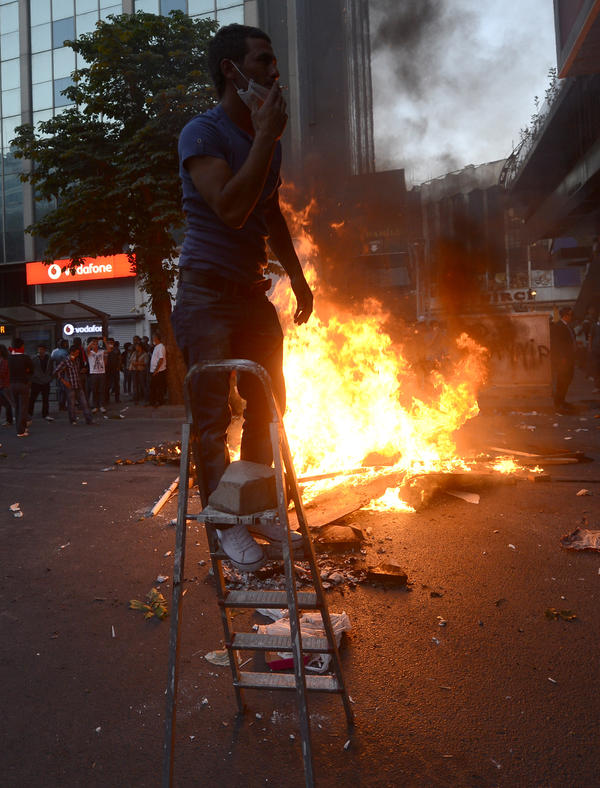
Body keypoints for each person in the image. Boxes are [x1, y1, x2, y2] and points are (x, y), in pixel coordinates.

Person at [171, 24, 313, 571]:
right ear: (232, 70)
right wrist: (263, 140)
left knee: (269, 408)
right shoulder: (200, 134)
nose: (274, 72)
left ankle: (252, 510)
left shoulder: (264, 142)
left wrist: (297, 281)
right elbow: (231, 207)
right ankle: (225, 527)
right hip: (205, 296)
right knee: (211, 422)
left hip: (252, 296)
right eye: (263, 61)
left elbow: (268, 212)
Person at [54, 345, 93, 425]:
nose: (77, 354)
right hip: (70, 385)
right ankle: (73, 420)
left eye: (78, 353)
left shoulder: (76, 360)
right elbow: (56, 371)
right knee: (71, 404)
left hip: (77, 384)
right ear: (72, 352)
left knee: (84, 402)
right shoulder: (65, 361)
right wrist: (64, 381)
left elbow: (76, 371)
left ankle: (88, 419)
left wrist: (81, 371)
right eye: (76, 353)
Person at [551, 306, 576, 413]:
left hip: (569, 358)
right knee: (562, 381)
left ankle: (562, 401)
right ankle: (558, 403)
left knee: (567, 380)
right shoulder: (558, 326)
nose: (571, 317)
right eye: (570, 314)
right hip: (563, 360)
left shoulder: (567, 326)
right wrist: (562, 357)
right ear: (565, 315)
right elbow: (557, 344)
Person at [8, 338, 33, 436]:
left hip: (11, 384)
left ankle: (19, 428)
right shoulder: (25, 357)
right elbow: (31, 370)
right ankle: (21, 430)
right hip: (23, 384)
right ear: (22, 346)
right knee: (23, 407)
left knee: (17, 407)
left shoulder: (8, 358)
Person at [28, 343, 54, 422]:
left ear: (45, 350)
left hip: (46, 381)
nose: (40, 351)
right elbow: (30, 369)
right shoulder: (34, 359)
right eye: (39, 349)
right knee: (32, 399)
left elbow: (51, 368)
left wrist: (50, 377)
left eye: (42, 349)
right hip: (36, 381)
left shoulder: (49, 358)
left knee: (45, 399)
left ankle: (45, 414)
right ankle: (29, 414)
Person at [87, 337, 106, 413]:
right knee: (94, 390)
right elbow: (87, 349)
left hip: (101, 372)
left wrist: (104, 341)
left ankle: (101, 405)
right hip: (93, 373)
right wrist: (92, 342)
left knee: (101, 390)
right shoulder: (90, 353)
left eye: (96, 344)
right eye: (94, 344)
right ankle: (95, 406)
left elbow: (109, 350)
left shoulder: (101, 351)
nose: (95, 345)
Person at [148, 331, 167, 407]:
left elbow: (161, 359)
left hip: (159, 371)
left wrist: (156, 370)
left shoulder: (161, 347)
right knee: (153, 387)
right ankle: (153, 401)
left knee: (158, 387)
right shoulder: (156, 347)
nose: (152, 339)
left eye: (153, 338)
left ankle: (159, 401)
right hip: (154, 370)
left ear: (156, 338)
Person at [50, 339, 69, 411]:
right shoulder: (65, 352)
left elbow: (51, 361)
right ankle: (62, 405)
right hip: (64, 371)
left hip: (56, 371)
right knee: (64, 389)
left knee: (60, 389)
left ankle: (61, 404)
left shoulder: (54, 351)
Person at [128, 340, 148, 405]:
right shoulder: (134, 353)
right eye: (136, 347)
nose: (136, 348)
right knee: (135, 385)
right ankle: (135, 399)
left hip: (141, 371)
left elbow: (146, 363)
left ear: (140, 347)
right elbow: (130, 360)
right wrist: (133, 363)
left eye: (137, 346)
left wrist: (137, 363)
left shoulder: (145, 354)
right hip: (134, 371)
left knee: (142, 384)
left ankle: (146, 398)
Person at [104, 338, 121, 404]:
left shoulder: (116, 350)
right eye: (109, 342)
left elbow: (119, 359)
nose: (110, 343)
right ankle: (106, 399)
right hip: (107, 370)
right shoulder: (105, 350)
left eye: (112, 342)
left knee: (116, 385)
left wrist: (119, 367)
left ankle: (117, 399)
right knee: (107, 385)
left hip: (115, 369)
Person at [0, 343, 13, 426]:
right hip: (4, 384)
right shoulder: (4, 360)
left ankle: (9, 420)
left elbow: (3, 373)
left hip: (4, 385)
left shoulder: (4, 361)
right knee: (5, 403)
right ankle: (9, 420)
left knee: (7, 403)